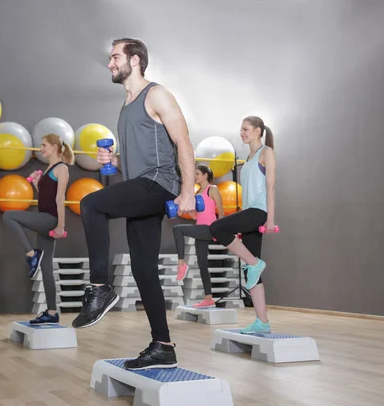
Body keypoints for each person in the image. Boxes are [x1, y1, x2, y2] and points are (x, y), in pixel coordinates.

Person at [72, 38, 196, 370]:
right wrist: (112, 159)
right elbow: (139, 160)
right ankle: (163, 346)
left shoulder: (156, 94)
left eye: (115, 57)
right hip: (142, 185)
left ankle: (99, 287)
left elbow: (183, 140)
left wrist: (187, 190)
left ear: (135, 60)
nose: (110, 63)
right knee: (143, 270)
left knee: (91, 204)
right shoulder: (127, 106)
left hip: (159, 184)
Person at [209, 116, 276, 333]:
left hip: (259, 212)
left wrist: (270, 219)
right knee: (250, 274)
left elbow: (271, 187)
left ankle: (255, 263)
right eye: (241, 130)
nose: (242, 133)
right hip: (248, 212)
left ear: (258, 131)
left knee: (217, 228)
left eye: (246, 129)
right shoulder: (248, 158)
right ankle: (262, 322)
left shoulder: (266, 153)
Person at [2, 134, 74, 324]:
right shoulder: (49, 168)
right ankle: (52, 312)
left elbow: (60, 199)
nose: (41, 149)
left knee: (9, 215)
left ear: (55, 147)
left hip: (50, 220)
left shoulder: (62, 169)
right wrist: (37, 184)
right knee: (46, 267)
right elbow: (47, 197)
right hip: (46, 218)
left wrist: (60, 225)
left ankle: (31, 254)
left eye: (44, 145)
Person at [173, 164, 224, 308]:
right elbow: (196, 216)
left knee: (178, 229)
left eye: (197, 174)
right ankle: (208, 298)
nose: (195, 177)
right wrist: (186, 211)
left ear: (205, 175)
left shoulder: (212, 189)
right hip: (200, 228)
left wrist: (221, 231)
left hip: (209, 228)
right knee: (202, 264)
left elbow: (220, 211)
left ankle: (181, 264)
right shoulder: (197, 193)